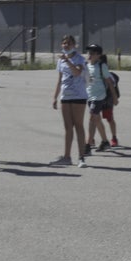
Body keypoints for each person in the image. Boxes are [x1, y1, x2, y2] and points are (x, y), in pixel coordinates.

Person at [51, 35, 88, 167]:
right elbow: (60, 79)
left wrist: (67, 61)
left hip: (79, 96)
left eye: (69, 43)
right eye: (64, 43)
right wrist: (55, 96)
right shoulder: (61, 60)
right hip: (65, 96)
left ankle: (82, 157)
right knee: (68, 127)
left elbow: (77, 73)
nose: (66, 45)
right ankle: (67, 156)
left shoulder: (79, 59)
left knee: (79, 125)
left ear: (74, 45)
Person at [83, 43, 118, 161]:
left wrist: (114, 97)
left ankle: (87, 145)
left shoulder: (101, 66)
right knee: (96, 119)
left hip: (99, 96)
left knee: (92, 117)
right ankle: (104, 141)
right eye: (88, 52)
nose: (89, 55)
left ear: (98, 55)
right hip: (89, 95)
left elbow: (109, 82)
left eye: (92, 53)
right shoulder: (85, 65)